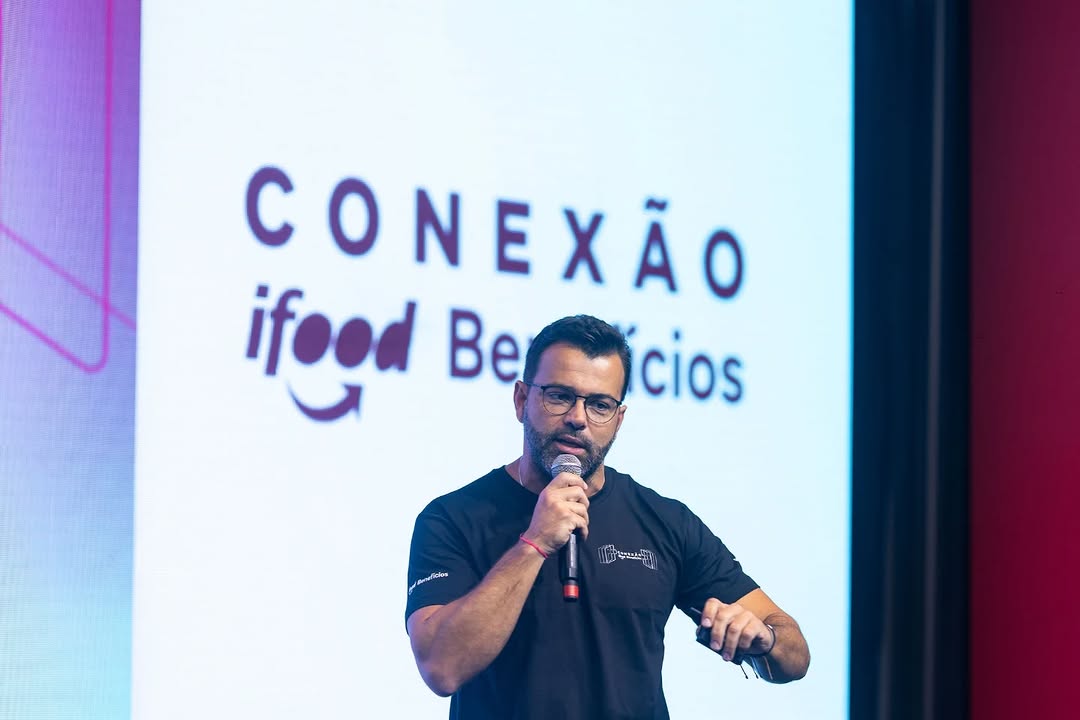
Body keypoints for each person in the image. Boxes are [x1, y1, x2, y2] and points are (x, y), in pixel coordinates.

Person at [405, 315, 810, 719]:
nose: (578, 418)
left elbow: (795, 656)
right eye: (559, 396)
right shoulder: (453, 518)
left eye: (599, 405)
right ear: (521, 400)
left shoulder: (665, 521)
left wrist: (766, 639)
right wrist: (534, 543)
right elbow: (441, 667)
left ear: (618, 419)